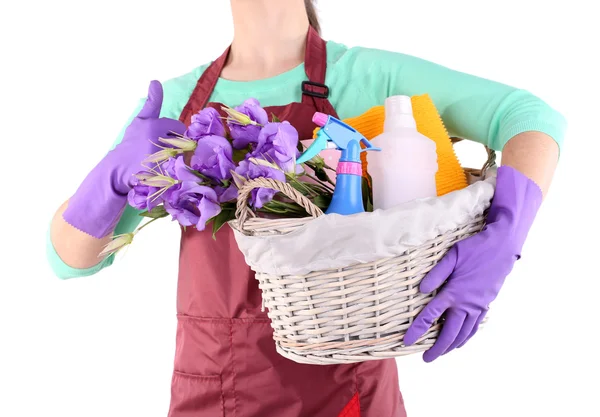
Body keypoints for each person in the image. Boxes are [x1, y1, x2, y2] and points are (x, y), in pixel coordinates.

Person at [47, 0, 566, 416]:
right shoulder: (178, 103)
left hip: (347, 393)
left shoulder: (366, 77)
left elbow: (529, 116)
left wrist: (504, 237)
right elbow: (68, 260)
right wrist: (113, 177)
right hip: (212, 391)